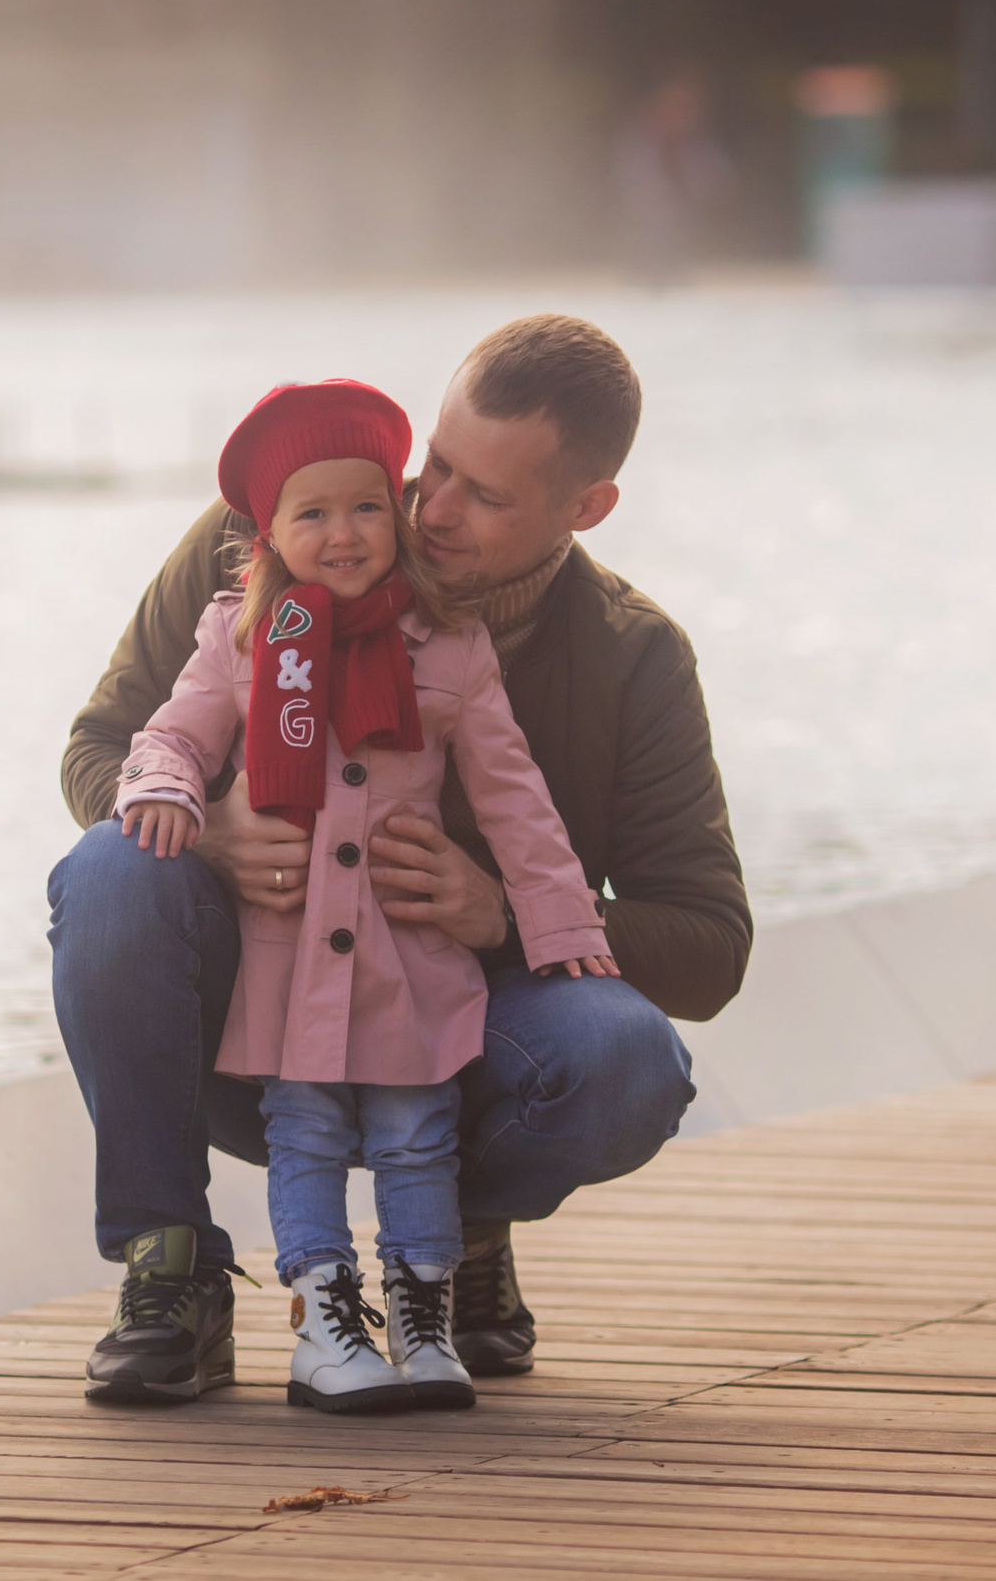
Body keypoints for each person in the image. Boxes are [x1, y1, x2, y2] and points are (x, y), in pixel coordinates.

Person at [49, 314, 750, 1407]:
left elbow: (708, 947)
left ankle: (458, 1238)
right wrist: (215, 821)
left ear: (586, 508)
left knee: (629, 1062)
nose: (428, 510)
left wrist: (503, 910)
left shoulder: (632, 654)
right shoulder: (272, 536)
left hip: (460, 1029)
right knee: (109, 871)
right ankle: (169, 1265)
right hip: (263, 1023)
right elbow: (102, 748)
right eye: (435, 465)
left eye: (485, 495)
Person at [113, 378, 619, 1414]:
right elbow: (164, 733)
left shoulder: (450, 648)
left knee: (416, 1134)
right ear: (266, 533)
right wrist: (179, 802)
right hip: (286, 961)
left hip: (409, 961)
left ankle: (425, 1314)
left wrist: (555, 922)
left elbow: (516, 799)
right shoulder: (238, 636)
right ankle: (322, 1321)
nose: (343, 534)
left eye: (363, 508)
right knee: (302, 1135)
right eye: (312, 514)